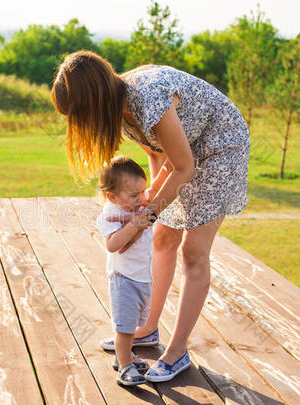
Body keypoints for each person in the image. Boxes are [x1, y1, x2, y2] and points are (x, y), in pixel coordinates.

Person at [52, 50, 250, 382]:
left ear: (93, 100)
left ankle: (177, 353)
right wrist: (149, 203)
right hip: (183, 154)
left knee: (194, 252)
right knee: (163, 238)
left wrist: (149, 212)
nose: (79, 124)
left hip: (221, 149)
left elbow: (185, 166)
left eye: (78, 114)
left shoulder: (146, 98)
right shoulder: (121, 109)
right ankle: (147, 329)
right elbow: (160, 155)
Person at [95, 155, 156, 386]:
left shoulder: (136, 206)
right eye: (134, 195)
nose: (141, 199)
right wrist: (135, 225)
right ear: (112, 196)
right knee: (124, 328)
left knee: (132, 326)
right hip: (124, 279)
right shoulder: (109, 214)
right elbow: (112, 245)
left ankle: (126, 355)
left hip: (142, 277)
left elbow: (154, 191)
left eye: (142, 192)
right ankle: (124, 367)